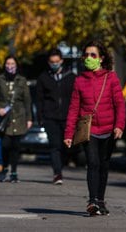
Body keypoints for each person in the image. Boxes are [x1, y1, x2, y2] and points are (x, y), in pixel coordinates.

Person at [64, 40, 125, 216]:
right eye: (87, 55)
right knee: (93, 163)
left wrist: (119, 125)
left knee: (104, 165)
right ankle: (92, 201)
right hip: (89, 129)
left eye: (93, 55)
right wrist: (69, 133)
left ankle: (100, 200)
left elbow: (119, 104)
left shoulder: (111, 77)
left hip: (108, 130)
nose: (89, 58)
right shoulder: (79, 80)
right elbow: (74, 108)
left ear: (101, 58)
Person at [36, 48, 76, 185]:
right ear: (48, 62)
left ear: (62, 61)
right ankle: (57, 173)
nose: (54, 64)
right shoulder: (43, 78)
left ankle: (63, 163)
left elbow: (76, 98)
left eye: (57, 62)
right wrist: (40, 117)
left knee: (66, 145)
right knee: (54, 145)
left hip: (67, 117)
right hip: (50, 117)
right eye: (52, 62)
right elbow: (39, 99)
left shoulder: (71, 77)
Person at [0, 55, 32, 183]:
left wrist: (29, 118)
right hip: (5, 118)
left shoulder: (22, 80)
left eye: (12, 64)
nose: (10, 66)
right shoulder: (0, 79)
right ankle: (4, 167)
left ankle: (14, 172)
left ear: (16, 65)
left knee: (16, 146)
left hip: (19, 116)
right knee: (5, 144)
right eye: (8, 64)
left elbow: (27, 101)